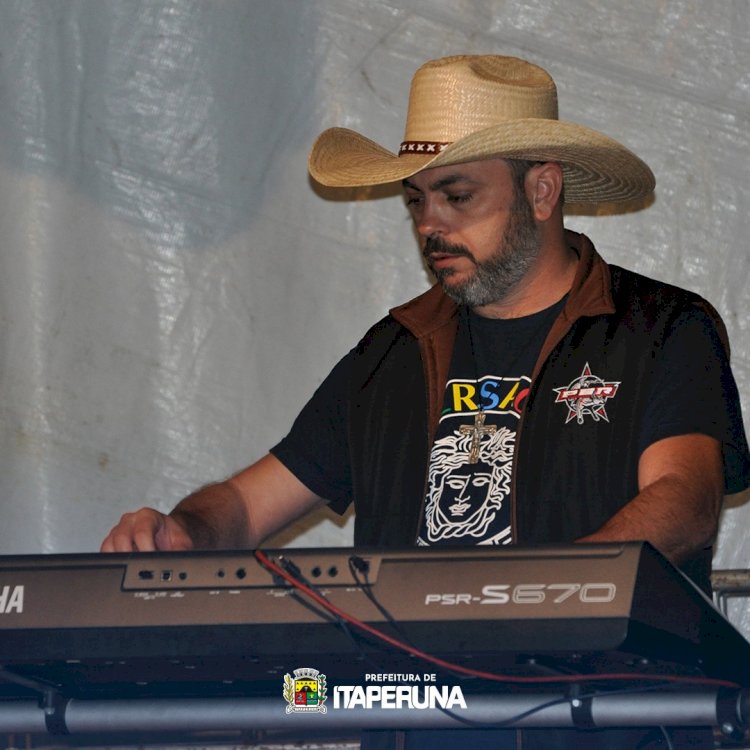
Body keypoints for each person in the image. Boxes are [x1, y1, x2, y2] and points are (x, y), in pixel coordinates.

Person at [101, 55, 750, 748]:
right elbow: (246, 505)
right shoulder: (394, 352)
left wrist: (551, 594)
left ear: (542, 190)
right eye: (416, 200)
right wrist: (180, 534)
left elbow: (684, 500)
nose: (429, 225)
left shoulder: (659, 327)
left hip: (604, 726)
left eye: (457, 195)